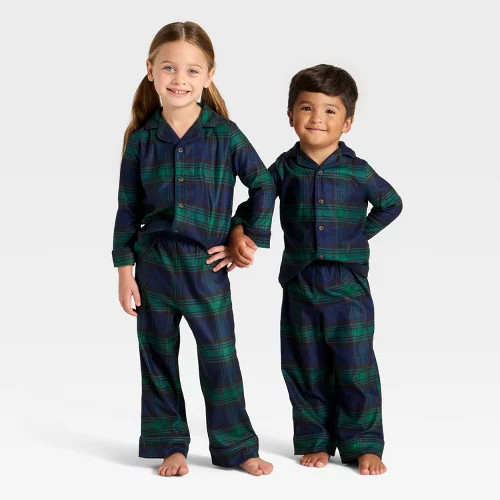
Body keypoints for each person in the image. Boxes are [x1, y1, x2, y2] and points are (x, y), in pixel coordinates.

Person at [111, 21, 275, 477]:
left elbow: (263, 184)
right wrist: (124, 271)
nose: (179, 79)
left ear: (209, 75)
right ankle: (171, 446)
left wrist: (243, 233)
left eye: (191, 70)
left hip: (206, 268)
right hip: (154, 269)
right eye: (169, 68)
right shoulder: (141, 141)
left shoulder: (225, 134)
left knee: (220, 358)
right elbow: (127, 210)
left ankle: (236, 447)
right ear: (150, 71)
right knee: (158, 358)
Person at [229, 64, 402, 474]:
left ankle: (364, 444)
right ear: (291, 115)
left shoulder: (357, 170)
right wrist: (238, 230)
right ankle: (315, 440)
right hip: (300, 283)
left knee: (355, 365)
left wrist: (356, 236)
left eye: (329, 110)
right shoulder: (283, 169)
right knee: (304, 364)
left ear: (348, 122)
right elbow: (256, 201)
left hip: (348, 286)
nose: (316, 118)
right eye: (306, 108)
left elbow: (391, 203)